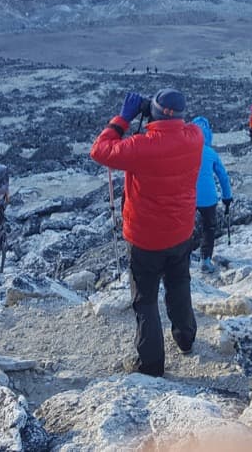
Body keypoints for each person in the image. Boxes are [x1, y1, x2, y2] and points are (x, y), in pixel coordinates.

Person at [90, 89, 203, 377]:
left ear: (154, 113)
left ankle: (151, 365)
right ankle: (186, 338)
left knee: (146, 299)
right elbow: (178, 126)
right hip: (181, 231)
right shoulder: (195, 137)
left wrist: (123, 118)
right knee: (180, 285)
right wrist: (157, 115)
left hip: (145, 237)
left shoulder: (141, 147)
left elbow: (100, 150)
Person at [190, 117, 232, 273]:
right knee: (209, 227)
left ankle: (184, 259)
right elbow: (223, 177)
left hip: (189, 197)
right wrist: (227, 197)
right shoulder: (211, 153)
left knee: (186, 228)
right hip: (209, 198)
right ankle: (205, 260)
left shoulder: (184, 152)